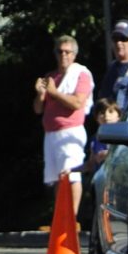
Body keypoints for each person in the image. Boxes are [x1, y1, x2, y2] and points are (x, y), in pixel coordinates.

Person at [34, 34, 93, 219]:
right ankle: (61, 216)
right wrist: (40, 94)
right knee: (57, 177)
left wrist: (54, 92)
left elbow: (77, 103)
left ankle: (72, 217)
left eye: (68, 52)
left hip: (70, 132)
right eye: (60, 52)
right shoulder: (51, 76)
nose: (64, 56)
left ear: (74, 54)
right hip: (51, 133)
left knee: (71, 174)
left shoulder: (81, 74)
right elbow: (37, 109)